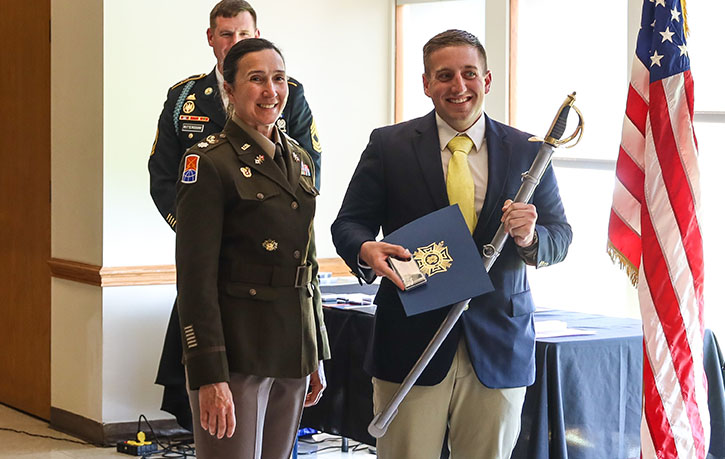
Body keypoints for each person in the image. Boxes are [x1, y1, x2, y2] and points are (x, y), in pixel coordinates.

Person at [331, 29, 572, 459]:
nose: (458, 87)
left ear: (487, 79)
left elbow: (560, 236)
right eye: (444, 75)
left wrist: (531, 237)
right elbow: (349, 224)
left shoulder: (528, 150)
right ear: (426, 83)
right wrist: (367, 250)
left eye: (469, 74)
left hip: (498, 344)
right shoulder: (389, 146)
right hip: (408, 340)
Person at [149, 0, 323, 430]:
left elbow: (302, 221)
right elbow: (163, 179)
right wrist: (198, 231)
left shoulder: (294, 121)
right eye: (226, 35)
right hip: (232, 304)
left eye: (277, 79)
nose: (271, 91)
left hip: (289, 321)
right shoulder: (187, 101)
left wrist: (316, 347)